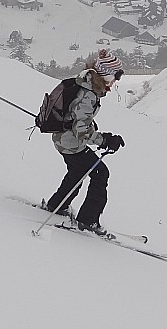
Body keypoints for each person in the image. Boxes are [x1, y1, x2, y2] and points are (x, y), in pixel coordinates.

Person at [43, 50, 126, 235]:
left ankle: (57, 205)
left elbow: (79, 120)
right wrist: (104, 140)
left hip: (63, 139)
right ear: (105, 74)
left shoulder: (85, 83)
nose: (114, 83)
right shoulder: (88, 94)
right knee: (100, 173)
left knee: (77, 171)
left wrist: (101, 135)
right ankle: (88, 221)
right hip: (71, 143)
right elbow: (81, 129)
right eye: (114, 77)